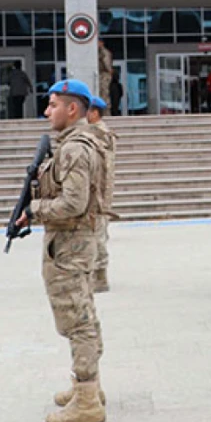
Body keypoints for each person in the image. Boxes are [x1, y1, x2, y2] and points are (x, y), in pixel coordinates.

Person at [13, 79, 107, 422]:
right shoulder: (74, 143)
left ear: (72, 109)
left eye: (52, 105)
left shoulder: (75, 148)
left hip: (70, 246)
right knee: (83, 315)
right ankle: (89, 387)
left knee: (78, 321)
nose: (46, 111)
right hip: (72, 245)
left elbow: (73, 202)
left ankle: (87, 400)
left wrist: (36, 209)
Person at [86, 96, 119, 293]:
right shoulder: (100, 132)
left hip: (97, 192)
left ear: (95, 113)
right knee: (98, 232)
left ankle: (99, 275)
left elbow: (102, 168)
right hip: (99, 192)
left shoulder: (98, 134)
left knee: (97, 233)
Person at [97, 41, 113, 114]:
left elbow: (106, 63)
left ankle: (106, 111)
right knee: (101, 93)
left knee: (104, 93)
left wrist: (109, 70)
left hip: (104, 74)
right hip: (101, 74)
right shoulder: (99, 52)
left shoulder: (104, 52)